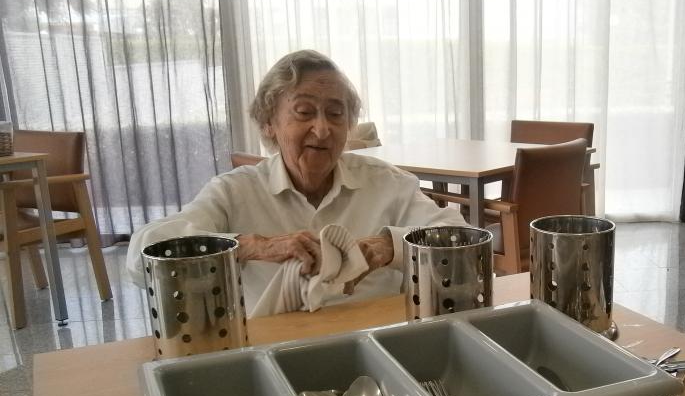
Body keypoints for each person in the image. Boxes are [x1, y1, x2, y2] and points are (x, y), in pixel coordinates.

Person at [127, 50, 467, 314]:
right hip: (274, 345)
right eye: (304, 112)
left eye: (336, 114)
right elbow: (142, 256)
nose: (322, 129)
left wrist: (390, 246)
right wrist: (252, 246)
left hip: (376, 338)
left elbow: (462, 240)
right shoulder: (235, 191)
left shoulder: (387, 184)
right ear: (268, 123)